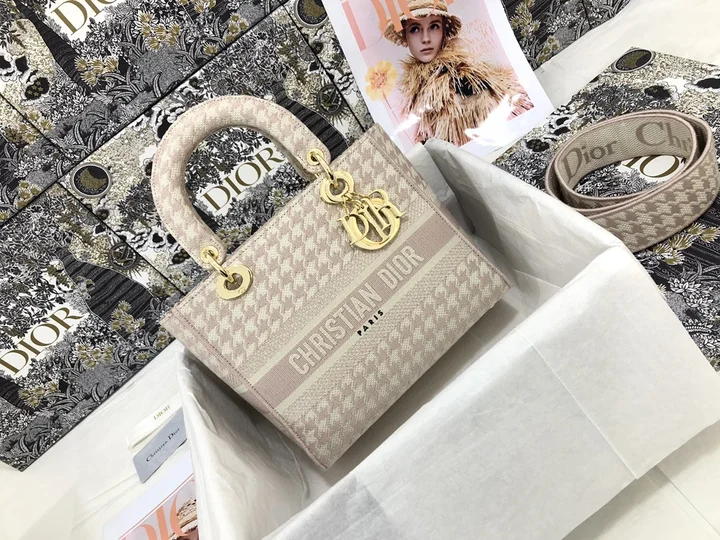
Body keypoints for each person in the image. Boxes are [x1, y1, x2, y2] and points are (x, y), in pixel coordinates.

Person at [384, 0, 533, 146]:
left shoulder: (461, 76)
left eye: (434, 26)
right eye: (415, 29)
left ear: (444, 31)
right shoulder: (418, 86)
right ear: (405, 36)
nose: (425, 39)